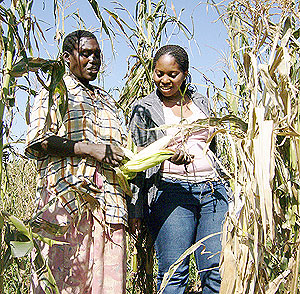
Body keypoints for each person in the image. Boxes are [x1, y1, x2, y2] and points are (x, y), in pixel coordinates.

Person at [25, 30, 127, 294]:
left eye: (97, 54)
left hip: (110, 207)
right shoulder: (54, 91)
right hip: (66, 205)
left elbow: (122, 147)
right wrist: (90, 149)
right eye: (85, 54)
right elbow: (38, 141)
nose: (94, 59)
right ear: (67, 57)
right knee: (62, 282)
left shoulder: (107, 100)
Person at [129, 45, 229, 294]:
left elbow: (212, 147)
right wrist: (136, 208)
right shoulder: (144, 109)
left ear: (184, 73)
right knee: (173, 272)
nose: (164, 80)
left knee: (215, 269)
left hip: (213, 192)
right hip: (171, 192)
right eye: (159, 73)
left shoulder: (202, 102)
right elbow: (137, 159)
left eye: (172, 74)